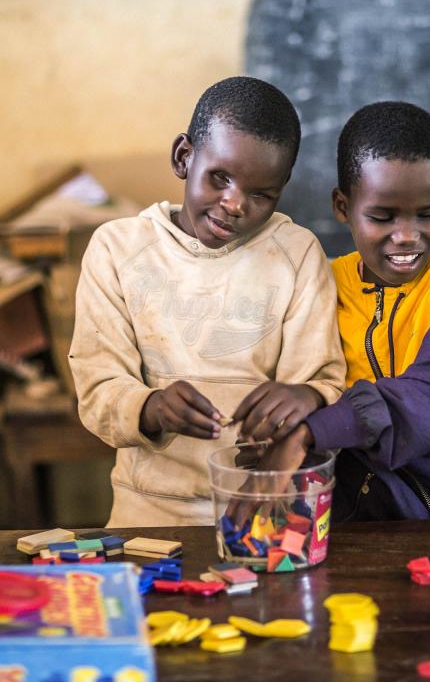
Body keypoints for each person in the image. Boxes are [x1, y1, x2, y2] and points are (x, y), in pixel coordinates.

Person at [70, 76, 345, 527]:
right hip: (148, 510)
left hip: (265, 508)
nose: (235, 204)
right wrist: (152, 407)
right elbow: (98, 390)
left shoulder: (296, 254)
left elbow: (324, 380)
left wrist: (306, 396)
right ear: (184, 157)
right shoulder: (118, 249)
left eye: (261, 194)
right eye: (220, 178)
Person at [240, 101, 430, 520]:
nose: (407, 236)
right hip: (355, 516)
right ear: (343, 207)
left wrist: (312, 431)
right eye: (382, 217)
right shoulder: (322, 282)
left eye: (428, 214)